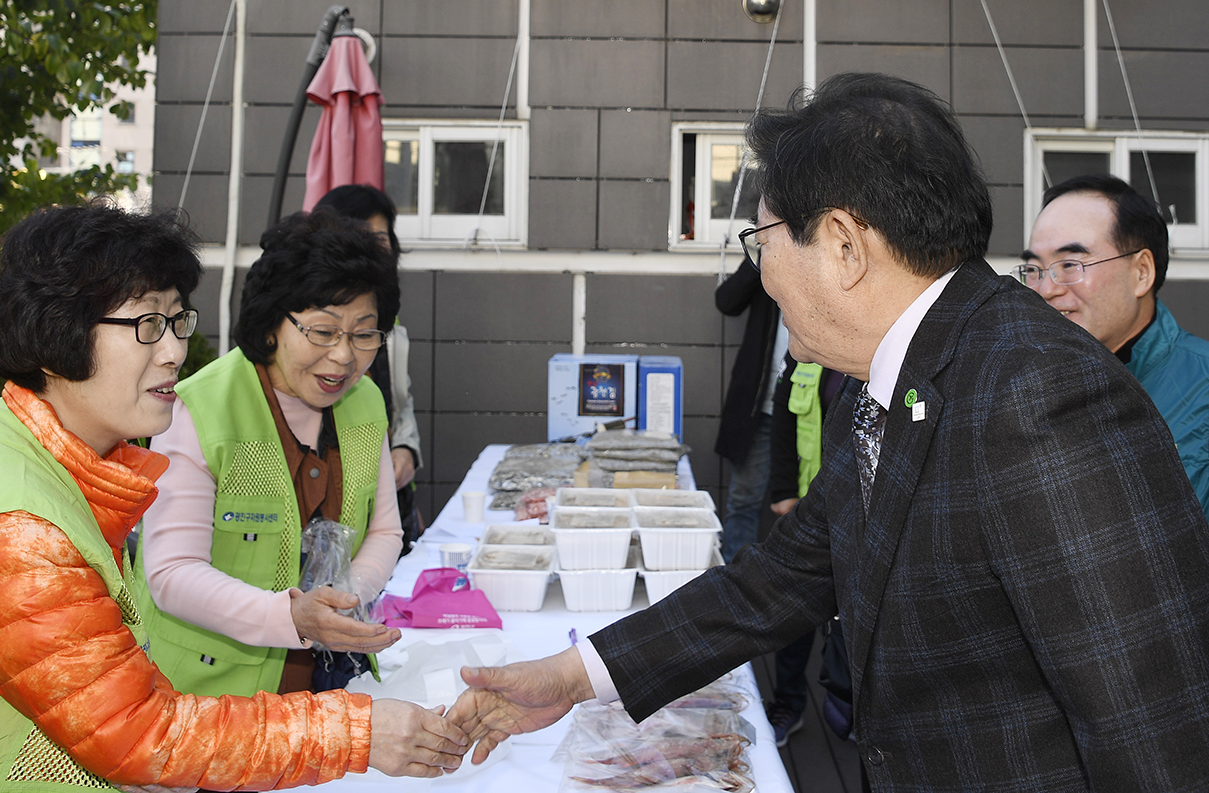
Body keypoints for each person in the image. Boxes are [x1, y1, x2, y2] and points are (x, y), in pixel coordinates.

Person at [447, 73, 1209, 791]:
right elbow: (783, 575)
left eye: (764, 236)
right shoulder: (890, 380)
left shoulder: (1036, 392)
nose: (763, 267)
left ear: (844, 244)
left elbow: (1151, 725)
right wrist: (578, 674)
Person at [0, 202, 466, 792]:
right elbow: (139, 731)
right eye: (149, 324)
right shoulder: (14, 531)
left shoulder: (35, 444)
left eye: (179, 320)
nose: (176, 349)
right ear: (58, 332)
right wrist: (357, 731)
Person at [135, 208, 406, 698]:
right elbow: (172, 573)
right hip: (211, 698)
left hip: (331, 684)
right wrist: (291, 617)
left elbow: (386, 528)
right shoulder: (202, 406)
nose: (344, 356)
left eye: (364, 334)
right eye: (323, 332)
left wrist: (344, 603)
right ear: (271, 326)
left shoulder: (364, 399)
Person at [1022, 173, 1209, 515]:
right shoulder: (1021, 389)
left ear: (1141, 272)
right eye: (1034, 268)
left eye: (1069, 264)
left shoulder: (1202, 389)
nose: (1046, 289)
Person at [313, 184, 425, 552]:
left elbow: (399, 404)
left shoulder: (392, 333)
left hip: (386, 513)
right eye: (359, 237)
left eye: (380, 238)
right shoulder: (302, 328)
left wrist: (406, 450)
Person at [760, 354, 851, 747]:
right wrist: (783, 491)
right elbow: (782, 416)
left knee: (858, 620)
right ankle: (789, 703)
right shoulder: (808, 342)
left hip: (860, 512)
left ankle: (856, 713)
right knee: (792, 610)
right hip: (805, 506)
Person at [714, 257, 789, 557]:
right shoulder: (770, 264)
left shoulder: (827, 262)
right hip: (761, 408)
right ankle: (736, 582)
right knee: (743, 500)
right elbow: (727, 301)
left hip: (810, 411)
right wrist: (761, 256)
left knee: (811, 505)